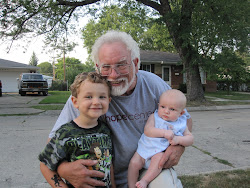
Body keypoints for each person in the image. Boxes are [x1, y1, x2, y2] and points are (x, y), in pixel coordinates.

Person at [49, 30, 193, 188]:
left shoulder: (154, 85)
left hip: (147, 168)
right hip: (103, 179)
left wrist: (178, 147)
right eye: (106, 67)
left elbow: (185, 118)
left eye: (121, 65)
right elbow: (52, 147)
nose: (114, 75)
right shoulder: (86, 97)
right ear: (97, 68)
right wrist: (64, 169)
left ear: (136, 63)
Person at [39, 72, 116, 188]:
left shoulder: (105, 130)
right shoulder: (65, 133)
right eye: (89, 97)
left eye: (102, 97)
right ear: (75, 102)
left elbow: (109, 164)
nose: (96, 102)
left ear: (109, 101)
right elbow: (45, 165)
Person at [128, 89, 194, 188]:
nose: (166, 111)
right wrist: (164, 133)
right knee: (133, 164)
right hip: (143, 149)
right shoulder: (154, 117)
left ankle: (145, 181)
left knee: (158, 162)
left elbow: (190, 139)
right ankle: (131, 186)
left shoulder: (181, 123)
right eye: (162, 107)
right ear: (158, 105)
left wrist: (178, 140)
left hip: (158, 152)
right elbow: (148, 130)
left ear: (181, 113)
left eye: (172, 109)